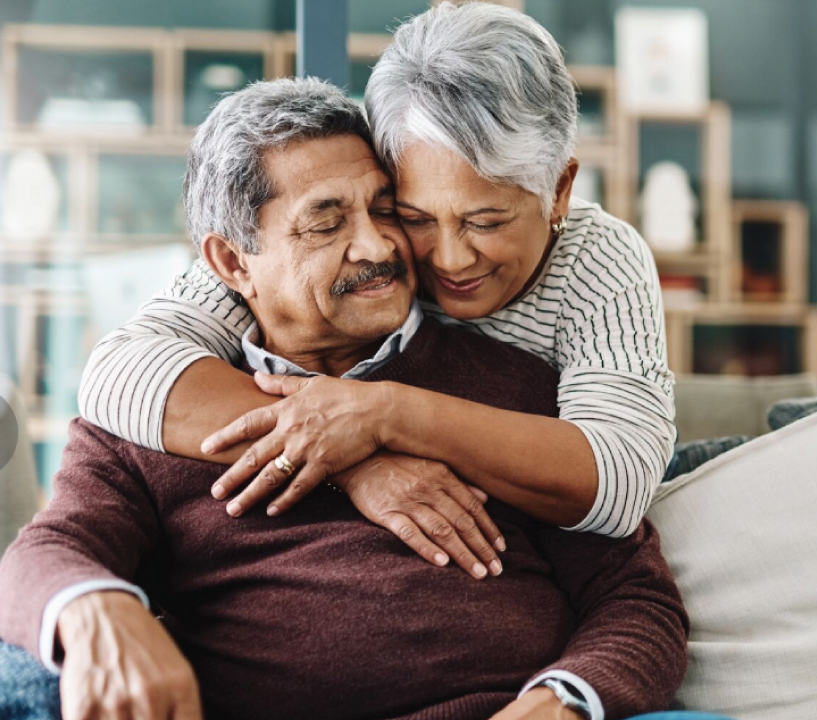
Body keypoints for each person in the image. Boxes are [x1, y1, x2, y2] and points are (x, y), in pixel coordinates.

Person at [0, 77, 688, 720]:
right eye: (326, 224)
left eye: (385, 208)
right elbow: (44, 553)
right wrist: (93, 607)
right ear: (234, 264)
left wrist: (565, 700)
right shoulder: (154, 416)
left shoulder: (514, 389)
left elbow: (635, 598)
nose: (378, 244)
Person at [75, 2, 676, 576]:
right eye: (412, 215)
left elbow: (620, 483)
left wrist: (385, 413)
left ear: (561, 191)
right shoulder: (353, 250)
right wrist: (357, 457)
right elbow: (120, 373)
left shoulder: (598, 260)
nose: (448, 258)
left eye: (485, 222)